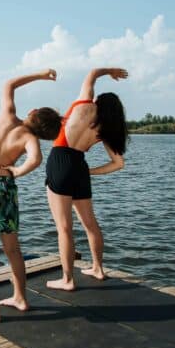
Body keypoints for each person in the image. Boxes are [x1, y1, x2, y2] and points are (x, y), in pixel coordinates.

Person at [0, 69, 62, 322]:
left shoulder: (7, 116)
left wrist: (41, 75)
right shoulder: (30, 138)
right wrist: (17, 171)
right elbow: (36, 159)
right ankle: (20, 297)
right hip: (5, 187)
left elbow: (9, 84)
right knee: (13, 249)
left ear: (32, 113)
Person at [45, 68, 129, 291]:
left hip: (61, 159)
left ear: (98, 102)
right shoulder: (106, 130)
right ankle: (98, 269)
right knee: (90, 225)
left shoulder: (83, 106)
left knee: (64, 228)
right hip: (79, 166)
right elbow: (118, 164)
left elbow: (91, 75)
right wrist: (88, 172)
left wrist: (109, 71)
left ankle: (67, 280)